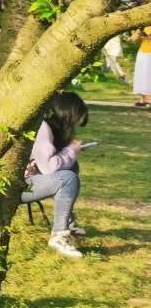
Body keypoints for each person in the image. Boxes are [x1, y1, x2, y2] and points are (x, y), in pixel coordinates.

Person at [25, 90, 92, 259]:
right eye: (74, 121)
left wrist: (70, 151)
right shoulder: (43, 129)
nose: (74, 127)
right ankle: (59, 236)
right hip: (20, 186)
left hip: (29, 180)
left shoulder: (49, 127)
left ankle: (68, 222)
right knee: (67, 178)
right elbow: (49, 168)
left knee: (71, 166)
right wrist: (71, 150)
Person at [133, 27, 151, 109]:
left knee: (149, 75)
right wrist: (139, 32)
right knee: (141, 75)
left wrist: (148, 37)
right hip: (142, 53)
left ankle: (149, 99)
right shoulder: (143, 27)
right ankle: (142, 99)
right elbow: (133, 39)